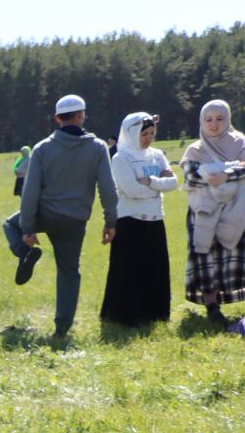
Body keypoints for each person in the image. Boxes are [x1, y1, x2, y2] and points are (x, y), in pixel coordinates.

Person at [5, 93, 119, 339]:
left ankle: (25, 252)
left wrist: (26, 228)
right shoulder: (98, 147)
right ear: (82, 115)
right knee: (68, 272)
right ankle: (62, 327)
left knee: (8, 224)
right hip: (75, 221)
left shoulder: (43, 148)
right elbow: (108, 189)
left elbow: (30, 191)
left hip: (44, 214)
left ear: (57, 118)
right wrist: (111, 222)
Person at [101, 111, 180, 327]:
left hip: (155, 218)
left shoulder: (157, 155)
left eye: (152, 133)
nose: (149, 138)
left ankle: (154, 313)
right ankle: (125, 315)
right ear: (131, 133)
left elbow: (173, 182)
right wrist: (157, 187)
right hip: (130, 220)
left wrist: (151, 182)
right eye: (144, 134)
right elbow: (131, 190)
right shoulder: (120, 157)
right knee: (130, 269)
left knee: (155, 268)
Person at [182, 100, 245, 324]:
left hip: (237, 212)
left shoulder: (241, 143)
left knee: (237, 258)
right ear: (202, 121)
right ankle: (212, 306)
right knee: (206, 258)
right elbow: (191, 176)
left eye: (220, 119)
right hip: (204, 213)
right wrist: (234, 169)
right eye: (209, 119)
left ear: (228, 119)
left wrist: (225, 175)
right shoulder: (195, 148)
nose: (214, 124)